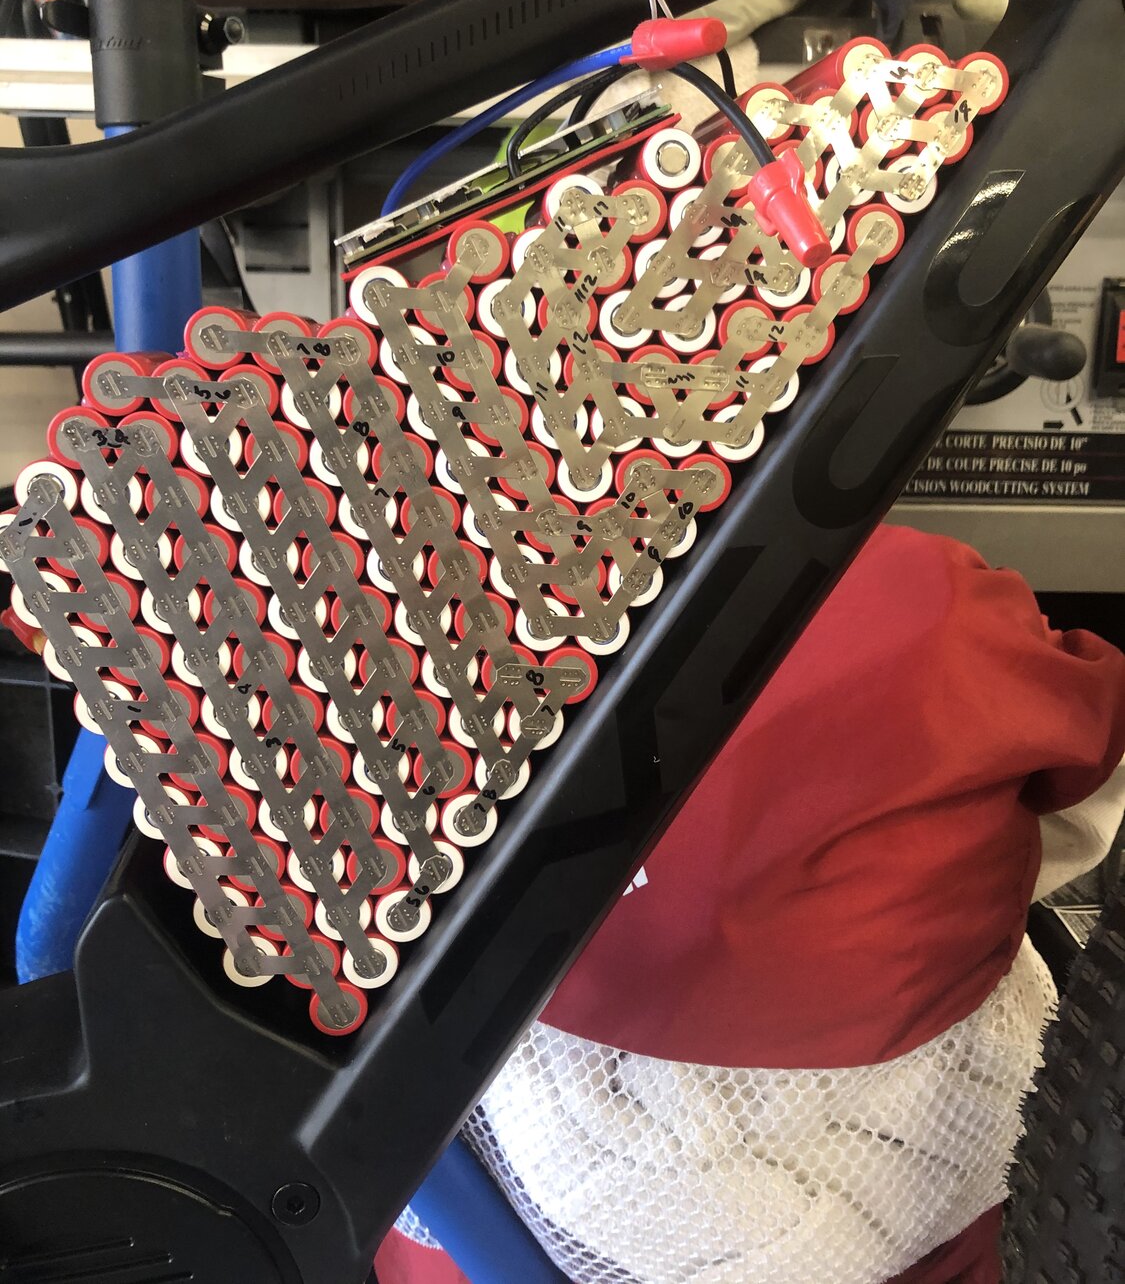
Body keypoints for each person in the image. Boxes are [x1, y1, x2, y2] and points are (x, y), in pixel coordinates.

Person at [375, 524, 1125, 1284]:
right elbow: (1090, 790)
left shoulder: (424, 573)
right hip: (881, 1206)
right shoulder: (930, 598)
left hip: (484, 1175)